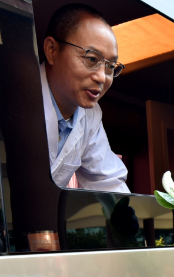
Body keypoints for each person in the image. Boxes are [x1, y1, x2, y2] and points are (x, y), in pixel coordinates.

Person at [40, 4, 129, 192]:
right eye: (91, 59)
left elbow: (109, 181)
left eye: (111, 66)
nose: (102, 77)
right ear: (51, 50)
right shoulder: (18, 95)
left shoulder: (90, 115)